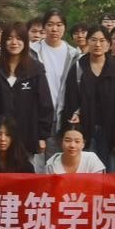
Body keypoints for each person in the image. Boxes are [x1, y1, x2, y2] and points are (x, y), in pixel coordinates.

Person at [0, 22, 55, 169]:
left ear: (25, 42)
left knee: (26, 178)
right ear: (3, 42)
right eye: (9, 38)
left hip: (27, 136)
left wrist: (42, 136)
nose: (14, 42)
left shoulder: (35, 70)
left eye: (19, 38)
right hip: (0, 140)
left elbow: (45, 104)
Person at [63, 25, 115, 172]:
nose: (98, 44)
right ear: (87, 42)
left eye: (102, 40)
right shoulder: (78, 68)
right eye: (93, 40)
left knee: (110, 172)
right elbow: (71, 100)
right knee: (87, 172)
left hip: (111, 130)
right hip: (85, 129)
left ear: (108, 44)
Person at [31, 9, 80, 151]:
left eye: (59, 25)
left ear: (65, 27)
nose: (54, 29)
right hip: (36, 116)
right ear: (44, 27)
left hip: (62, 117)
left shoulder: (74, 54)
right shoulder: (31, 52)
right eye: (50, 24)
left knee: (57, 161)